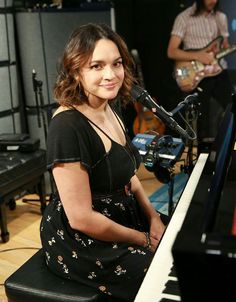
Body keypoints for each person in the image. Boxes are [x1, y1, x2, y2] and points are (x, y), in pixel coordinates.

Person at [40, 23, 166, 302]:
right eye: (96, 66)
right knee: (159, 270)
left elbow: (127, 174)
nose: (111, 75)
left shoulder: (109, 106)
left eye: (116, 64)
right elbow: (81, 218)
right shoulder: (68, 127)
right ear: (76, 71)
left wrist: (153, 217)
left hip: (120, 216)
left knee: (178, 239)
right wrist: (142, 239)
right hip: (82, 239)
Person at [167, 0, 233, 149]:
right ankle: (198, 158)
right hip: (196, 73)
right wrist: (198, 56)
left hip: (219, 70)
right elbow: (171, 51)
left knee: (232, 107)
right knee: (199, 120)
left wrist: (224, 49)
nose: (213, 1)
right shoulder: (184, 17)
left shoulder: (221, 17)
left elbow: (225, 44)